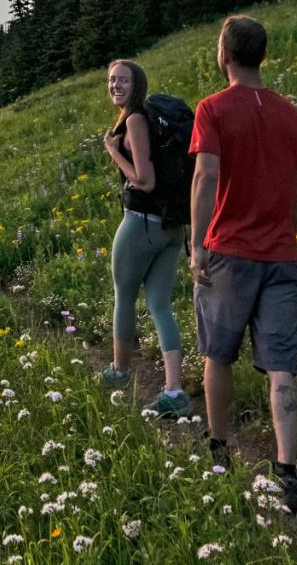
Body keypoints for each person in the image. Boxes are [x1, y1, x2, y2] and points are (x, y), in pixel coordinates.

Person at [189, 15, 297, 514]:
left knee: (218, 354)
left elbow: (205, 175)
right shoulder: (295, 117)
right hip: (282, 254)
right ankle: (287, 471)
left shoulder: (213, 110)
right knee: (281, 367)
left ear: (224, 53)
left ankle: (219, 448)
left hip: (229, 252)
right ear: (261, 55)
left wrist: (198, 244)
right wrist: (287, 229)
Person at [99, 59, 189, 418]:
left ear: (137, 84)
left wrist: (113, 151)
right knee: (161, 306)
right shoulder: (149, 118)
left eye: (122, 80)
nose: (115, 85)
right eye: (111, 80)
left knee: (124, 295)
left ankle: (120, 371)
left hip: (142, 222)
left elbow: (145, 178)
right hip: (171, 227)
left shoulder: (136, 119)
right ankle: (175, 390)